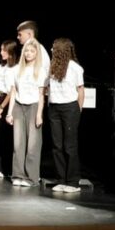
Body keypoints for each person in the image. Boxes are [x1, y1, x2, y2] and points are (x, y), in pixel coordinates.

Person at [7, 39, 47, 187]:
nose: (29, 54)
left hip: (34, 106)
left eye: (32, 51)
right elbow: (13, 92)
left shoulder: (40, 71)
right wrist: (9, 113)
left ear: (37, 53)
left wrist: (39, 114)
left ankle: (31, 178)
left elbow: (41, 95)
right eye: (27, 51)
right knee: (18, 143)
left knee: (33, 144)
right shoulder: (17, 69)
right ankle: (18, 175)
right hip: (18, 106)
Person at [46, 38, 84, 193]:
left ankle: (73, 182)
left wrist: (78, 110)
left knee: (69, 145)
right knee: (57, 146)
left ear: (61, 51)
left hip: (70, 108)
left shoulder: (75, 68)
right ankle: (61, 179)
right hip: (54, 108)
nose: (51, 50)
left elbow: (80, 90)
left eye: (54, 48)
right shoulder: (51, 67)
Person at [0, 40, 17, 179]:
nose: (1, 52)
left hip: (8, 102)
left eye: (4, 50)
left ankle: (7, 168)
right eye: (1, 50)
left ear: (11, 52)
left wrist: (2, 107)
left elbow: (12, 89)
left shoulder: (15, 68)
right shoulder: (0, 66)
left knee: (6, 136)